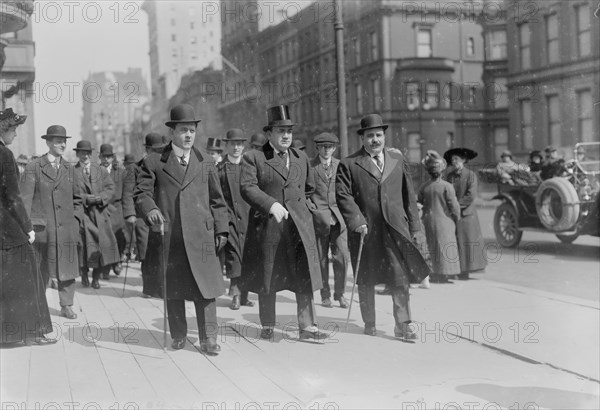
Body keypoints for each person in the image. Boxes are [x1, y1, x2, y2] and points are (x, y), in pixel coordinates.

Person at [134, 104, 229, 355]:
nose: (189, 135)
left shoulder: (206, 162)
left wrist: (222, 231)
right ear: (172, 132)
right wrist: (151, 209)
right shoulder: (154, 162)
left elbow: (218, 201)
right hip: (171, 235)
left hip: (203, 236)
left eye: (192, 130)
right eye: (184, 130)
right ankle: (178, 335)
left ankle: (209, 338)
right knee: (174, 289)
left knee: (206, 289)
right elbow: (142, 193)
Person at [336, 114, 430, 339]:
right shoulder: (349, 164)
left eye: (378, 135)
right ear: (363, 138)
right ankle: (369, 322)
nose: (375, 140)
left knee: (400, 278)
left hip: (395, 230)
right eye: (370, 136)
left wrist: (415, 226)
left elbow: (409, 195)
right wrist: (357, 221)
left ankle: (404, 324)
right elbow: (343, 196)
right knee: (367, 278)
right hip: (365, 231)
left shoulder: (397, 160)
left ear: (384, 136)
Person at [240, 105, 326, 341]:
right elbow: (247, 188)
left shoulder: (300, 157)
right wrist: (270, 204)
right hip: (270, 226)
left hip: (298, 226)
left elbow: (309, 188)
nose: (286, 135)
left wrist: (305, 211)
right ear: (269, 134)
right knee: (269, 275)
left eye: (289, 130)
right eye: (280, 130)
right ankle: (268, 323)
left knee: (304, 274)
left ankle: (308, 326)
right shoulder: (254, 158)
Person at [0, 108, 55, 345]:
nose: (15, 134)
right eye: (13, 130)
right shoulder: (4, 154)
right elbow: (12, 196)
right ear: (5, 129)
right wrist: (28, 227)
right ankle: (32, 331)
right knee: (28, 276)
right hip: (8, 229)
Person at [21, 125, 83, 319]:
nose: (62, 144)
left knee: (67, 266)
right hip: (42, 229)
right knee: (41, 269)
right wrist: (27, 226)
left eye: (64, 140)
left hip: (65, 229)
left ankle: (66, 305)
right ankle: (39, 304)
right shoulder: (34, 168)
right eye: (57, 141)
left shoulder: (70, 169)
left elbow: (78, 199)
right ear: (48, 143)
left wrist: (76, 221)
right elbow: (25, 200)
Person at [122, 133, 167, 298]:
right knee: (145, 252)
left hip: (160, 215)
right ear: (147, 150)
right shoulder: (135, 168)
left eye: (161, 150)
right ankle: (149, 288)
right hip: (142, 217)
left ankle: (162, 287)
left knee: (160, 251)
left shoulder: (165, 165)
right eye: (155, 150)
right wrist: (130, 214)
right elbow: (127, 193)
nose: (158, 153)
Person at [216, 128, 255, 310]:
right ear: (227, 145)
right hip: (230, 218)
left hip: (249, 218)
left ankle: (245, 294)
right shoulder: (219, 169)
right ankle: (236, 295)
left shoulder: (250, 166)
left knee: (248, 256)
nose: (236, 148)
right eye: (233, 144)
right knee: (234, 256)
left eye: (240, 144)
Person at [310, 132, 350, 308]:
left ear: (335, 148)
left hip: (339, 219)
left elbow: (347, 192)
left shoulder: (341, 166)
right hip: (319, 219)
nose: (327, 150)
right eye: (323, 147)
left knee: (342, 257)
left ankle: (340, 293)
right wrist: (313, 210)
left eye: (330, 147)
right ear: (317, 147)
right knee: (321, 259)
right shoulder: (310, 167)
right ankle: (324, 294)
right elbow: (303, 193)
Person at [73, 140, 120, 290]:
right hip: (83, 215)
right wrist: (86, 199)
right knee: (84, 247)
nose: (84, 156)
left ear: (91, 154)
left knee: (101, 247)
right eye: (81, 153)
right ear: (77, 154)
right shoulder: (72, 172)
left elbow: (111, 189)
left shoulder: (100, 171)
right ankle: (85, 274)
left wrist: (101, 198)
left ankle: (96, 277)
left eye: (87, 153)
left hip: (100, 214)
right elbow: (71, 193)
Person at [443, 147, 487, 280]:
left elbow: (471, 196)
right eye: (452, 160)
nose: (454, 162)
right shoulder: (449, 176)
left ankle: (466, 271)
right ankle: (457, 270)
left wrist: (456, 206)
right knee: (455, 242)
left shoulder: (471, 175)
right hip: (453, 214)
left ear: (463, 160)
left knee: (467, 242)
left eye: (456, 159)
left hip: (466, 214)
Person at [418, 151, 461, 284]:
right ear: (442, 171)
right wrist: (456, 217)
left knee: (433, 248)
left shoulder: (424, 187)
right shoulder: (447, 186)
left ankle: (434, 273)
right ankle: (444, 275)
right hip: (445, 221)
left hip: (428, 220)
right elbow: (453, 206)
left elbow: (419, 203)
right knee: (446, 247)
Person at [99, 143, 127, 278]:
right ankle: (106, 267)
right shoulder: (95, 172)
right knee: (104, 240)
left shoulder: (120, 172)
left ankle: (117, 261)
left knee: (119, 237)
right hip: (102, 209)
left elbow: (126, 192)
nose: (106, 160)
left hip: (117, 208)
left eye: (108, 157)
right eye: (104, 157)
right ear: (100, 157)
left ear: (113, 157)